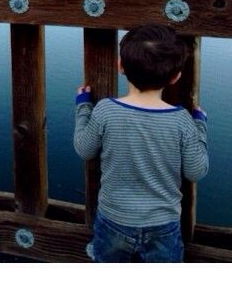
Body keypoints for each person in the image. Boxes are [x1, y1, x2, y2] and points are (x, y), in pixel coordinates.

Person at [73, 24, 208, 263]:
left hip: (113, 219)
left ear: (120, 66)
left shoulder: (105, 111)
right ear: (175, 77)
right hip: (162, 225)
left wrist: (83, 107)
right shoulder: (181, 121)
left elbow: (84, 149)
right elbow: (196, 170)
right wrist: (200, 126)